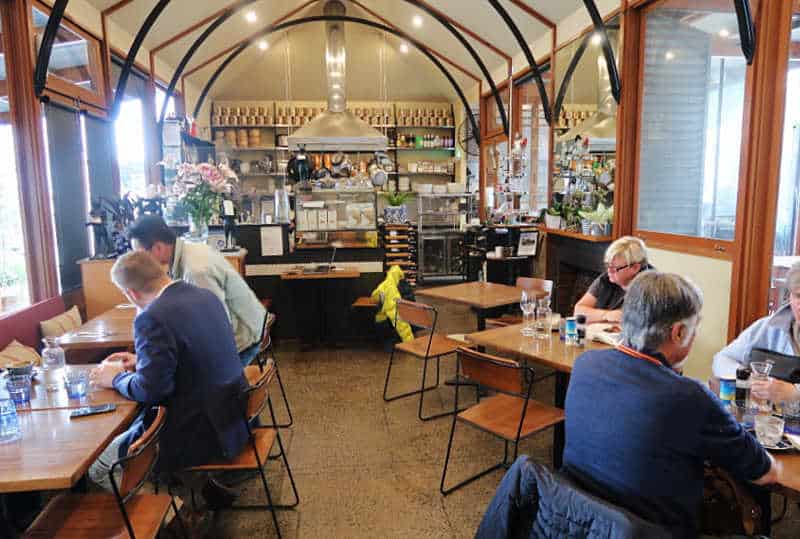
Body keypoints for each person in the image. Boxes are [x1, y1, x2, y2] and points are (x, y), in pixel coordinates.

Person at [564, 271, 781, 537]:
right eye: (696, 325)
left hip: (581, 520)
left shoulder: (585, 364)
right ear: (679, 333)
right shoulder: (689, 397)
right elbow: (765, 473)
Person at [88, 251, 249, 506]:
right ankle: (204, 489)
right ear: (162, 270)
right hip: (232, 416)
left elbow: (153, 391)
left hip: (195, 430)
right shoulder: (205, 297)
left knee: (99, 466)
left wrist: (116, 377)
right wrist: (143, 363)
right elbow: (196, 355)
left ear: (131, 294)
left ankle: (173, 514)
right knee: (135, 428)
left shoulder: (151, 317)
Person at [127, 215, 265, 366]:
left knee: (170, 378)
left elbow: (217, 327)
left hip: (242, 343)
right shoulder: (188, 250)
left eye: (141, 255)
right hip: (242, 329)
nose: (141, 262)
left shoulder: (195, 271)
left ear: (158, 248)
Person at [713, 261, 800, 405]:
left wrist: (795, 393)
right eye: (798, 295)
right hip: (766, 420)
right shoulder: (768, 326)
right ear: (789, 296)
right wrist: (748, 379)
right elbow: (722, 359)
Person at [574, 235, 652, 324]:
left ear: (635, 268)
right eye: (608, 265)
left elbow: (637, 325)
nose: (609, 271)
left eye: (615, 268)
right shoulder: (607, 279)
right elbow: (578, 312)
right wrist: (606, 315)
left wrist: (596, 316)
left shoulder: (651, 288)